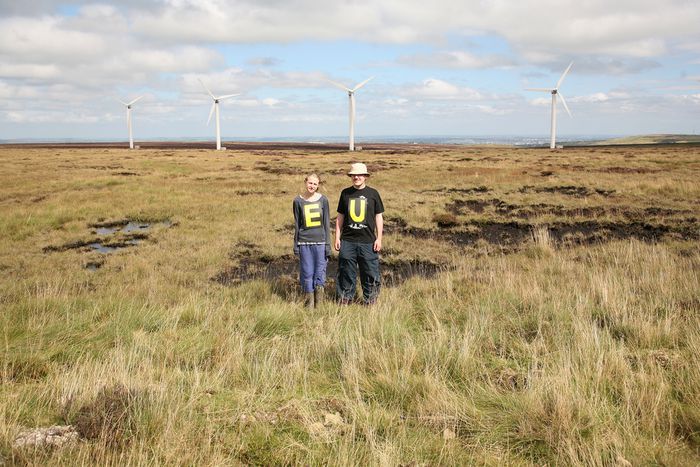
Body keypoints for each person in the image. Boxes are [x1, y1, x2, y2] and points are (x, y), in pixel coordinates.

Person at [335, 162, 384, 305]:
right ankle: (346, 298)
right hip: (347, 241)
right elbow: (340, 217)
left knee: (369, 272)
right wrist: (337, 237)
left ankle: (370, 300)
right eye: (354, 175)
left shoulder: (373, 194)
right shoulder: (345, 193)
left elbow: (378, 217)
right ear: (351, 176)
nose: (356, 177)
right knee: (346, 271)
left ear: (365, 176)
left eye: (359, 175)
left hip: (368, 241)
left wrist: (379, 238)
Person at [293, 173, 331, 308]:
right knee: (307, 272)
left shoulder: (323, 200)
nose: (312, 186)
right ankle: (309, 304)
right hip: (304, 243)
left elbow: (326, 224)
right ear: (305, 182)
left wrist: (328, 245)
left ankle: (319, 304)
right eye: (310, 183)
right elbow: (297, 224)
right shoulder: (298, 201)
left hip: (320, 242)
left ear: (318, 185)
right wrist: (296, 245)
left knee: (319, 272)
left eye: (315, 184)